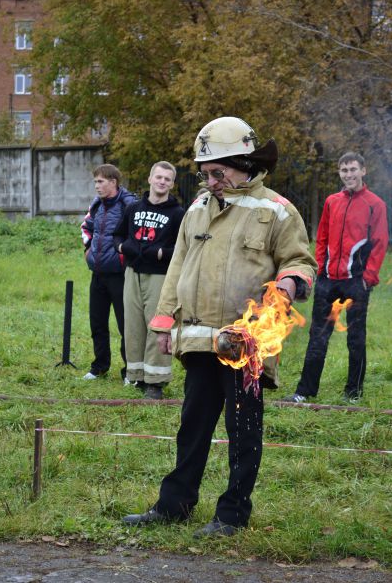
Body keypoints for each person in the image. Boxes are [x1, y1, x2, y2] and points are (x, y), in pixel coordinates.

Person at [121, 117, 317, 537]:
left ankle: (231, 514)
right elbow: (178, 265)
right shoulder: (197, 209)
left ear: (243, 163)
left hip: (246, 343)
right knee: (192, 425)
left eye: (217, 172)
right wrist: (163, 319)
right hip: (198, 339)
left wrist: (287, 283)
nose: (209, 181)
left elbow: (301, 262)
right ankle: (174, 505)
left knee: (243, 431)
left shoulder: (277, 211)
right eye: (205, 173)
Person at [283, 152, 389, 404]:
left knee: (356, 338)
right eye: (344, 170)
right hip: (328, 280)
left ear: (363, 171)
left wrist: (368, 278)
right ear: (339, 173)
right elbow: (321, 237)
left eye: (353, 169)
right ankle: (304, 392)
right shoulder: (332, 201)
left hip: (356, 281)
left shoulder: (376, 204)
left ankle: (353, 393)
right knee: (317, 337)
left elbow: (380, 243)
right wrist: (320, 269)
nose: (349, 174)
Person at [114, 161, 184, 399]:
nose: (162, 181)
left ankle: (156, 383)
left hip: (160, 277)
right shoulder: (133, 208)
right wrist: (124, 247)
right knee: (133, 326)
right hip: (132, 274)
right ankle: (137, 376)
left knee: (158, 327)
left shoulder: (177, 214)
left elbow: (184, 248)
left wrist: (163, 253)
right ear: (150, 178)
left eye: (167, 178)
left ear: (172, 184)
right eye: (159, 177)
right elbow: (117, 235)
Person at [81, 164, 136, 381]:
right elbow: (86, 228)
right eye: (95, 182)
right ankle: (99, 367)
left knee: (126, 325)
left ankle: (129, 372)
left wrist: (124, 257)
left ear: (113, 182)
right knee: (97, 323)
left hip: (121, 275)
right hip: (98, 274)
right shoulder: (96, 204)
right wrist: (88, 252)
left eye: (101, 181)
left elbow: (135, 235)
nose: (97, 186)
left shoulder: (129, 204)